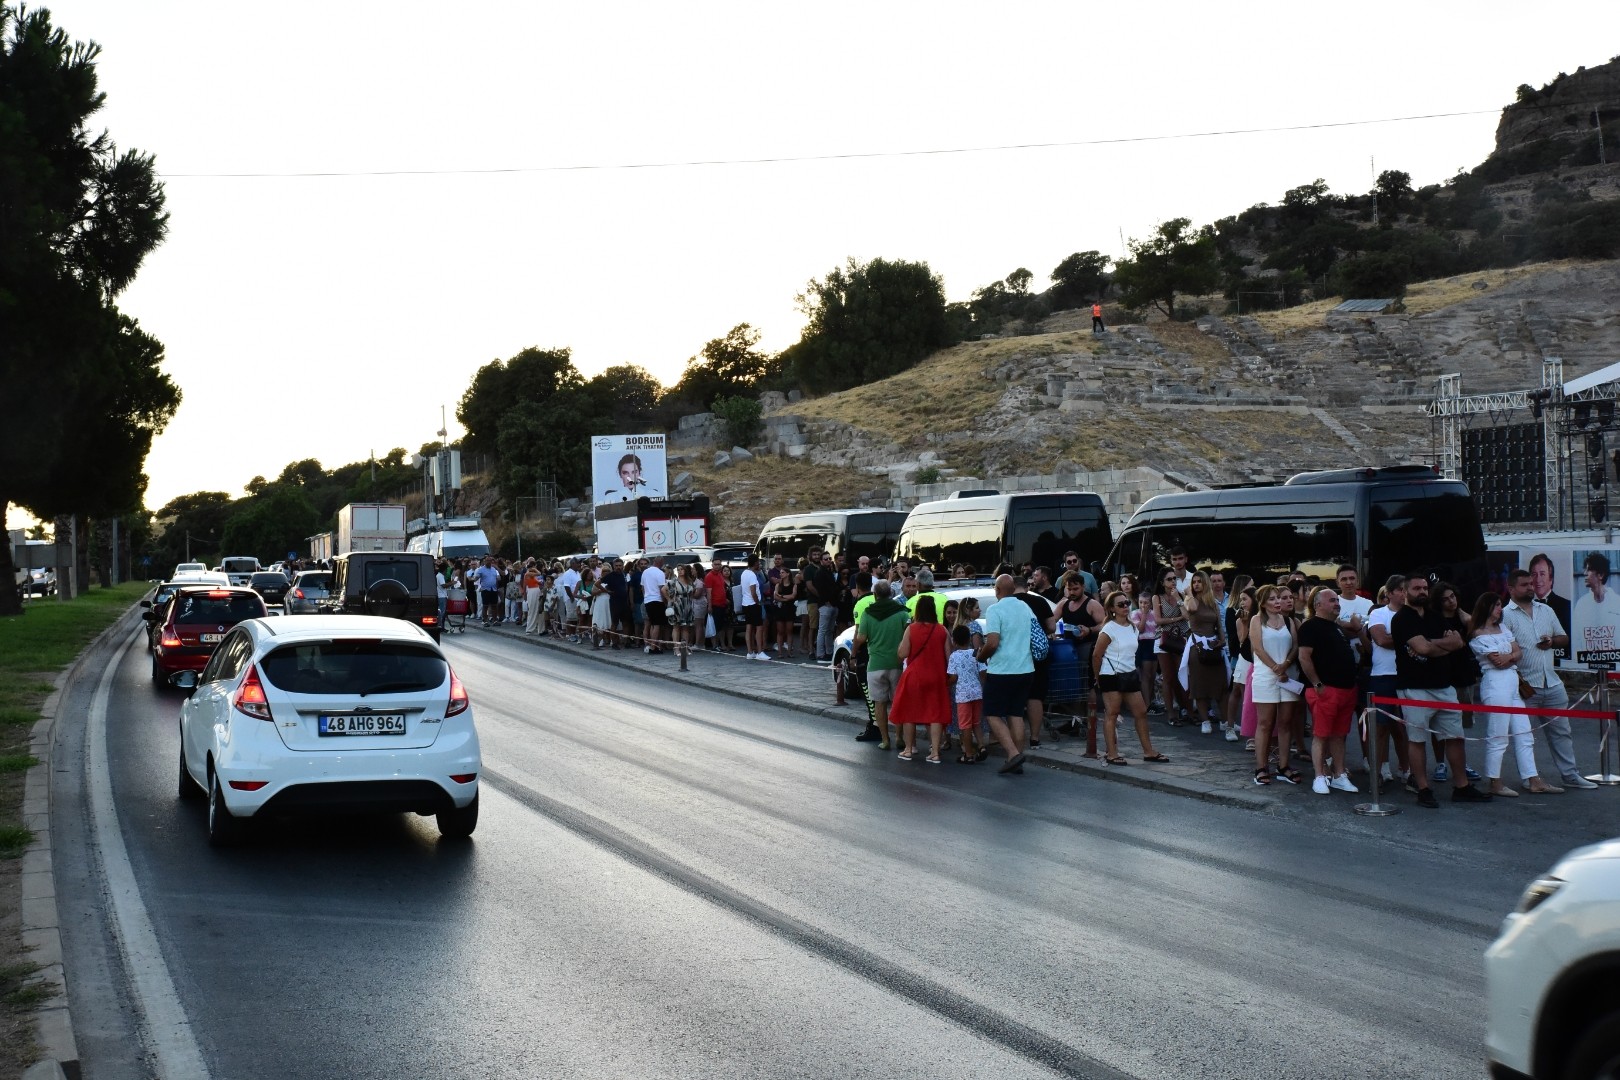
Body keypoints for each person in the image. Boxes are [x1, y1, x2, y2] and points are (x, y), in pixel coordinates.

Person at [1393, 574, 1491, 807]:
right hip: (1414, 688)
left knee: (1455, 737)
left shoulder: (1435, 617)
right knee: (1417, 740)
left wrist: (1432, 644)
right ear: (1405, 592)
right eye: (1417, 588)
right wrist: (1438, 645)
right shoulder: (1401, 619)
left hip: (1444, 686)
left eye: (1425, 587)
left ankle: (1462, 786)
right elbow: (1423, 648)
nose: (1422, 591)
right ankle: (1423, 789)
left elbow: (1458, 642)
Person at [1503, 567, 1595, 790]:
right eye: (1524, 585)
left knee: (1562, 732)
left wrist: (1552, 641)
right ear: (1511, 588)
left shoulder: (1546, 610)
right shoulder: (1505, 615)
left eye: (1531, 584)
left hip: (1552, 682)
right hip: (1524, 686)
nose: (1530, 588)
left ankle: (1570, 775)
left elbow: (1564, 638)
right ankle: (1530, 778)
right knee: (1525, 737)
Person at [1470, 590, 1560, 797]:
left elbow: (1517, 653)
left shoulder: (1502, 628)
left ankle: (1532, 778)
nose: (1500, 609)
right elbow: (1498, 661)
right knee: (1498, 734)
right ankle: (1495, 781)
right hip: (1496, 682)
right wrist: (1512, 656)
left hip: (1512, 680)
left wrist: (1510, 656)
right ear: (1487, 608)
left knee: (1524, 733)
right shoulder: (1477, 634)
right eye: (1497, 605)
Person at [1092, 590, 1168, 765]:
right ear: (1112, 609)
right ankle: (1112, 753)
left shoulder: (1133, 626)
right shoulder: (1108, 628)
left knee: (1141, 712)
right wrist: (1099, 678)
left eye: (1126, 603)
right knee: (1112, 713)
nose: (1125, 607)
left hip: (1129, 674)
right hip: (1111, 675)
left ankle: (1148, 751)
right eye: (1120, 604)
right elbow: (1097, 655)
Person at [1297, 588, 1360, 795]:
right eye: (1332, 600)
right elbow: (1304, 657)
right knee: (1321, 735)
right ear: (1318, 604)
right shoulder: (1310, 627)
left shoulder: (1336, 627)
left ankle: (1339, 775)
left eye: (1337, 600)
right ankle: (1319, 776)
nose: (1337, 603)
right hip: (1325, 690)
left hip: (1346, 689)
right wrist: (1317, 685)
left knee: (1339, 735)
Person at [978, 574, 1035, 775]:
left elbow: (992, 642)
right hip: (1025, 668)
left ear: (997, 590)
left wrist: (981, 656)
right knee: (1016, 713)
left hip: (1002, 669)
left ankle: (1012, 754)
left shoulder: (995, 609)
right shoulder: (1025, 607)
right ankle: (1017, 757)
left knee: (992, 713)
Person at [890, 593, 951, 763]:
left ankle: (909, 749)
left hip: (914, 676)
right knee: (935, 714)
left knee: (909, 712)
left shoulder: (912, 628)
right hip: (937, 676)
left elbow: (902, 653)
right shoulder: (942, 630)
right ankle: (935, 753)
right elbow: (949, 656)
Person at [1249, 584, 1301, 786]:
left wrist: (1285, 665)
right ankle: (1261, 767)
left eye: (1278, 598)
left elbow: (1295, 646)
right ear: (1262, 603)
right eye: (1272, 599)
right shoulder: (1256, 620)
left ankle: (1283, 765)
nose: (1277, 602)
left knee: (1286, 722)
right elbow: (1258, 648)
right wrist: (1275, 667)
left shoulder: (1288, 621)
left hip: (1287, 676)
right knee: (1265, 723)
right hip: (1265, 675)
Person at [1366, 574, 1411, 785]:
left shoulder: (1414, 614)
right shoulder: (1378, 613)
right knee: (1381, 727)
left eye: (1406, 589)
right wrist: (1411, 639)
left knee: (1403, 727)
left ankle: (1407, 770)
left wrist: (1401, 638)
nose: (1405, 593)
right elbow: (1382, 639)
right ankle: (1378, 772)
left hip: (1408, 676)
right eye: (1401, 589)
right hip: (1383, 676)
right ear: (1390, 593)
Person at [855, 580, 909, 750]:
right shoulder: (901, 612)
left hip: (876, 664)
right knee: (898, 702)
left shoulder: (868, 613)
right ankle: (900, 737)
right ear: (891, 594)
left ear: (875, 595)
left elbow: (861, 638)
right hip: (897, 663)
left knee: (879, 703)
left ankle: (885, 740)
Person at [1183, 571, 1227, 733]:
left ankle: (1225, 720)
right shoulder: (1190, 600)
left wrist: (1222, 640)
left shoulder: (1212, 602)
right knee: (1199, 686)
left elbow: (1219, 624)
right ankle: (1205, 721)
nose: (1196, 584)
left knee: (1220, 685)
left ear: (1205, 583)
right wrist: (1188, 593)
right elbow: (1192, 608)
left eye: (1199, 582)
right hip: (1197, 647)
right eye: (1194, 582)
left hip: (1213, 644)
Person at [1154, 569, 1194, 724]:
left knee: (1183, 674)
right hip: (1163, 639)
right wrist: (1176, 618)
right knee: (1168, 677)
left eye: (1174, 579)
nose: (1172, 582)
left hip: (1180, 639)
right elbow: (1158, 620)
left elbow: (1187, 615)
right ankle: (1171, 714)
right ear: (1162, 582)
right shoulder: (1157, 597)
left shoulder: (1181, 595)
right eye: (1169, 579)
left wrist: (1178, 599)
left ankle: (1189, 711)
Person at [947, 624, 985, 763]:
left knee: (965, 725)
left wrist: (947, 683)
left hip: (963, 695)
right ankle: (981, 746)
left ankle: (968, 754)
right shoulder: (976, 653)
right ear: (969, 639)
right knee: (976, 722)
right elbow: (983, 672)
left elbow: (954, 677)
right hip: (977, 692)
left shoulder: (954, 656)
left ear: (954, 641)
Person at [1528, 552, 1571, 649]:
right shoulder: (1526, 607)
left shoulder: (1566, 606)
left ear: (1551, 578)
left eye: (1542, 574)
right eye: (1534, 574)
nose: (1538, 579)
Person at [737, 554, 767, 659]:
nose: (759, 564)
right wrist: (757, 602)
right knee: (759, 628)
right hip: (753, 604)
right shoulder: (752, 575)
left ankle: (750, 652)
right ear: (755, 563)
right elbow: (753, 591)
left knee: (749, 627)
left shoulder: (744, 573)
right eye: (758, 562)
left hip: (746, 604)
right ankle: (759, 652)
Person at [640, 555, 669, 654]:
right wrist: (665, 601)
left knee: (652, 624)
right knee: (657, 625)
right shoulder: (660, 573)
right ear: (660, 563)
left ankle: (653, 645)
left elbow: (643, 587)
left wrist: (645, 597)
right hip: (657, 600)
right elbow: (662, 589)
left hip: (647, 600)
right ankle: (653, 647)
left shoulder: (645, 572)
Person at [772, 564, 798, 655]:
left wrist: (782, 596)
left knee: (789, 631)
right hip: (780, 609)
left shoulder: (793, 585)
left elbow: (793, 596)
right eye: (780, 573)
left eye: (783, 572)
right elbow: (775, 597)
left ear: (788, 574)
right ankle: (779, 652)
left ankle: (789, 651)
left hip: (789, 609)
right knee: (780, 631)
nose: (781, 574)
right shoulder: (778, 585)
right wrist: (785, 599)